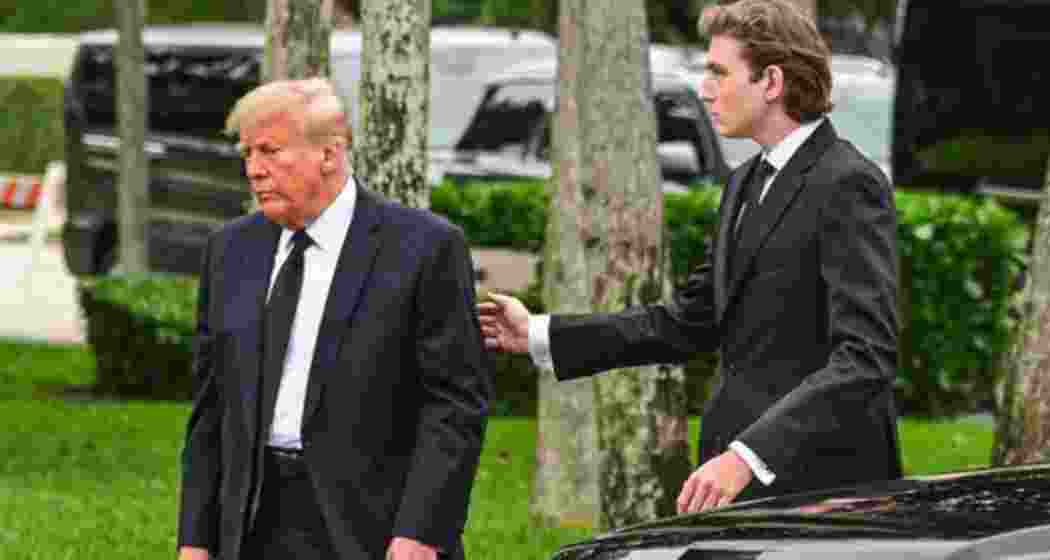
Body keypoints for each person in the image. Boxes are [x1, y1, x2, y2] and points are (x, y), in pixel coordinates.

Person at [479, 0, 900, 513]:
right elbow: (687, 322)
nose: (705, 89)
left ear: (771, 81)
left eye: (719, 72)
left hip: (823, 496)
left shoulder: (848, 183)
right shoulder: (744, 183)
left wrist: (748, 456)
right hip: (736, 489)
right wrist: (540, 334)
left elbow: (865, 358)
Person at [177, 78, 490, 560]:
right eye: (247, 155)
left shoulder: (423, 247)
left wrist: (423, 530)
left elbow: (454, 407)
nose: (254, 171)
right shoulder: (230, 251)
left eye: (270, 151)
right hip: (252, 526)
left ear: (329, 154)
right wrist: (195, 540)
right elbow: (210, 412)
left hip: (374, 529)